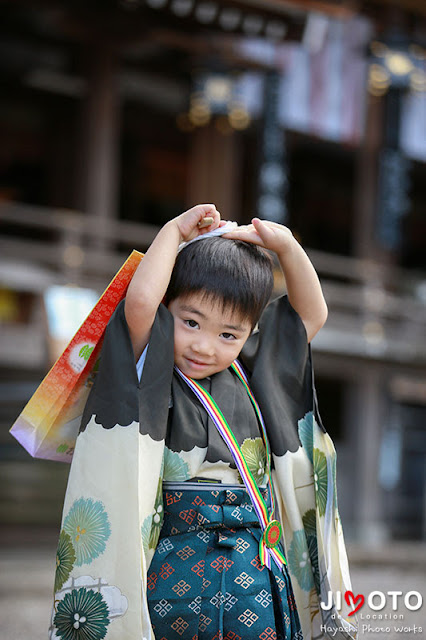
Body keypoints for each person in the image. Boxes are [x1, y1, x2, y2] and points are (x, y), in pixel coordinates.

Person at [48, 205, 357, 640]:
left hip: (255, 564)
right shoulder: (150, 370)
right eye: (190, 322)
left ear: (251, 334)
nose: (205, 346)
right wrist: (173, 233)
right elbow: (138, 301)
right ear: (166, 308)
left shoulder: (254, 371)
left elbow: (311, 316)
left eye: (227, 334)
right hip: (173, 561)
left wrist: (287, 246)